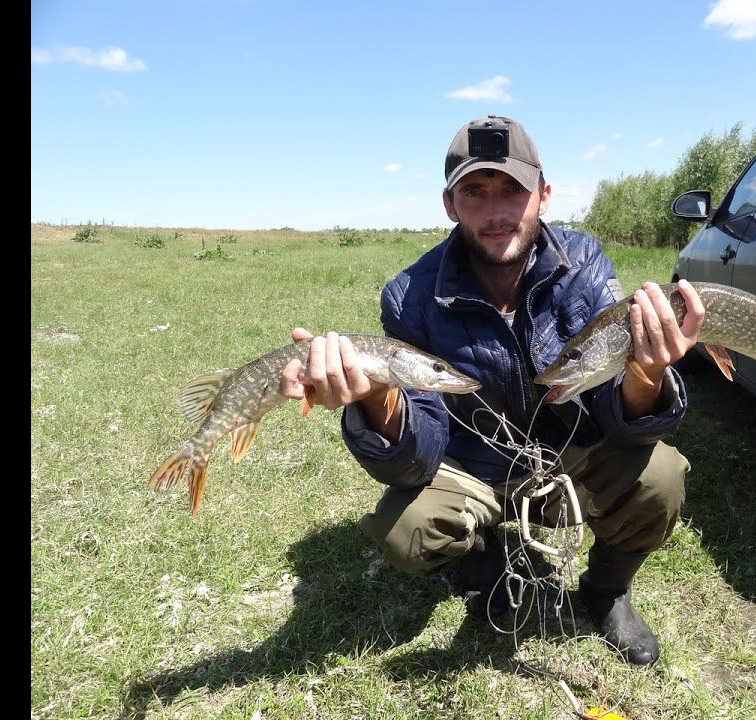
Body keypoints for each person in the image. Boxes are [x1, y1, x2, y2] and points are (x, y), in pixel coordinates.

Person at [279, 115, 704, 665]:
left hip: (565, 459)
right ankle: (482, 553)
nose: (497, 211)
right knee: (407, 532)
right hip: (475, 466)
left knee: (661, 476)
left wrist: (645, 375)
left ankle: (607, 591)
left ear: (544, 196)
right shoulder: (410, 295)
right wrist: (376, 398)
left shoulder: (583, 264)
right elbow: (418, 452)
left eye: (513, 190)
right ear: (450, 206)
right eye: (475, 193)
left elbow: (611, 409)